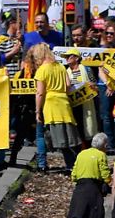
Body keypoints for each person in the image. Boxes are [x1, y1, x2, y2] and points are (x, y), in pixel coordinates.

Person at [30, 42, 80, 172]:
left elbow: (40, 93)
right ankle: (74, 164)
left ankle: (50, 164)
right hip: (64, 102)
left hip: (50, 104)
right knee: (69, 138)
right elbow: (68, 85)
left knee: (50, 137)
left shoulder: (42, 70)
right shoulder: (61, 67)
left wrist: (37, 111)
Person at [69, 133, 112, 218]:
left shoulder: (81, 154)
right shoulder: (101, 155)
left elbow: (73, 176)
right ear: (105, 145)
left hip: (80, 191)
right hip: (93, 192)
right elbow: (106, 176)